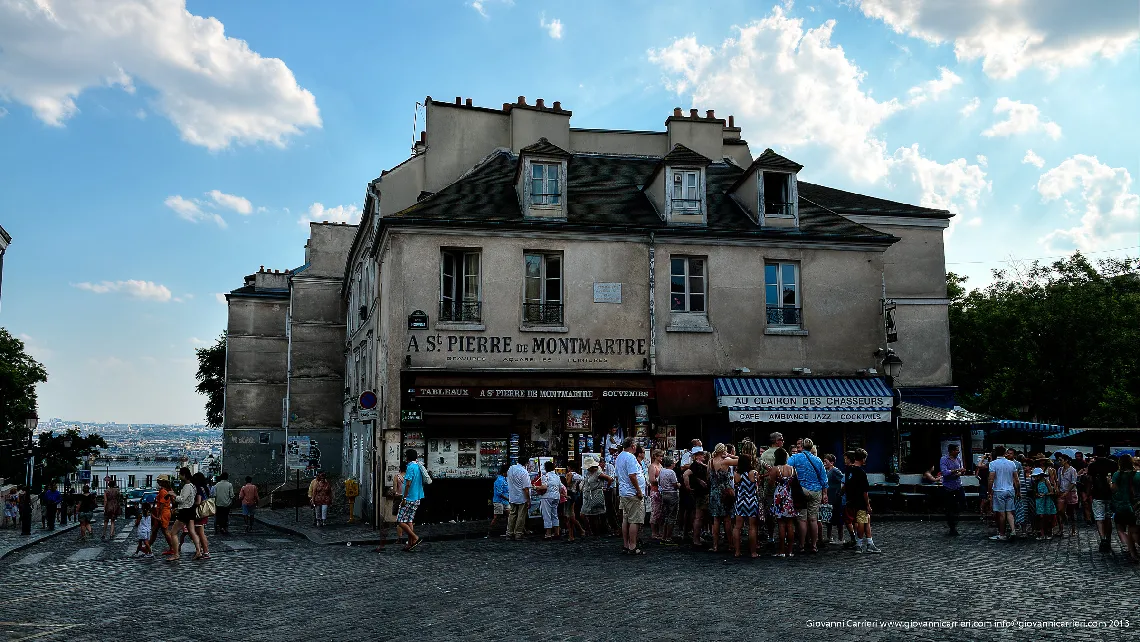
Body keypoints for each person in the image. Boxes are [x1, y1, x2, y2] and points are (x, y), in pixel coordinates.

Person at [788, 438, 827, 554]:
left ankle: (802, 544)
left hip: (801, 490)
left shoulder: (795, 458)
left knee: (802, 519)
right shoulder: (818, 460)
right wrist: (825, 493)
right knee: (813, 519)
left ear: (802, 447)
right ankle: (814, 545)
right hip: (816, 490)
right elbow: (824, 479)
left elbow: (788, 470)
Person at [845, 448, 881, 553]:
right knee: (861, 521)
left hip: (851, 500)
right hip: (860, 501)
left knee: (866, 519)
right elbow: (864, 491)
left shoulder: (849, 470)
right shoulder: (861, 472)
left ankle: (870, 543)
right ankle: (859, 544)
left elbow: (847, 485)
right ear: (863, 459)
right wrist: (868, 504)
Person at [615, 437, 645, 555]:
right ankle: (633, 546)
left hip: (624, 492)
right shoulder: (630, 457)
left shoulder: (620, 457)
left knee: (626, 519)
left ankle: (626, 544)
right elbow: (632, 476)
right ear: (632, 446)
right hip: (632, 493)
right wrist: (638, 490)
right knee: (634, 520)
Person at [707, 443, 738, 553]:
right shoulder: (726, 461)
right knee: (727, 519)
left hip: (714, 492)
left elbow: (708, 477)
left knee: (715, 520)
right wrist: (731, 455)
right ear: (723, 450)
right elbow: (743, 460)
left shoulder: (710, 461)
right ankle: (730, 544)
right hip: (725, 491)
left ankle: (715, 545)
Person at [732, 441, 760, 558]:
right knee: (752, 527)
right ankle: (753, 552)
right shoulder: (753, 472)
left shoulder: (737, 474)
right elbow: (757, 485)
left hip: (741, 500)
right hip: (752, 500)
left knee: (737, 527)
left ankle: (737, 551)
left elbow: (736, 485)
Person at [768, 448, 797, 558]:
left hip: (779, 495)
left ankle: (781, 550)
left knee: (781, 523)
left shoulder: (776, 469)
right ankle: (790, 550)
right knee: (790, 524)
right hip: (789, 495)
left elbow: (770, 483)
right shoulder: (792, 469)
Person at [1088, 445, 1118, 552]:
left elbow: (1090, 480)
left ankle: (1103, 539)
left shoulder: (1092, 466)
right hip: (1110, 494)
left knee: (1099, 518)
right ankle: (1108, 539)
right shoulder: (1113, 464)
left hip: (1097, 494)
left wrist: (1088, 493)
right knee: (1108, 518)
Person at [1110, 455, 1139, 563]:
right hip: (1134, 505)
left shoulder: (1117, 474)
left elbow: (1114, 489)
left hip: (1121, 504)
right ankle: (1133, 552)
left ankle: (1131, 551)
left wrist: (1110, 483)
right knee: (1133, 529)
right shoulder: (1136, 474)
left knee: (1120, 528)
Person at [987, 445, 1020, 541]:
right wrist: (1017, 490)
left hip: (999, 490)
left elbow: (991, 479)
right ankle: (1013, 530)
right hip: (1010, 489)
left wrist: (989, 491)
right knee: (1010, 512)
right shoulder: (1012, 463)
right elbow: (1016, 480)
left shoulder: (993, 464)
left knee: (1001, 514)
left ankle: (1002, 534)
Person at [167, 468, 199, 561]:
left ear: (184, 475)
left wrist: (173, 495)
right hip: (190, 510)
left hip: (185, 512)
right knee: (192, 532)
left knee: (173, 533)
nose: (180, 477)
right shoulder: (193, 486)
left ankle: (176, 554)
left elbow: (182, 499)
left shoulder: (187, 486)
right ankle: (199, 551)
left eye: (180, 475)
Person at [397, 449, 425, 552]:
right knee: (409, 520)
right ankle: (410, 544)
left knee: (400, 521)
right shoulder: (418, 466)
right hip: (418, 497)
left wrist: (404, 498)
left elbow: (408, 484)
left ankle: (415, 537)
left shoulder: (410, 468)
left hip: (409, 498)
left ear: (407, 457)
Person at [684, 448, 709, 549]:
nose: (703, 456)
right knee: (698, 516)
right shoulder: (695, 465)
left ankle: (697, 537)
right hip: (700, 493)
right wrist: (688, 486)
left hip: (700, 492)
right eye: (701, 454)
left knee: (699, 516)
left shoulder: (699, 465)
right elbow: (686, 474)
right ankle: (696, 539)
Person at [580, 456, 612, 536]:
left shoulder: (598, 473)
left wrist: (606, 488)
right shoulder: (589, 473)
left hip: (595, 494)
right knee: (590, 514)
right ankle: (592, 531)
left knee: (594, 514)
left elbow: (609, 479)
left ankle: (595, 531)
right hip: (588, 495)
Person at [940, 444, 966, 536]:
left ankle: (955, 519)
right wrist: (956, 470)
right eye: (956, 450)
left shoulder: (958, 459)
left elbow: (959, 471)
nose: (958, 452)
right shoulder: (944, 459)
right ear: (951, 451)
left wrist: (960, 472)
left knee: (962, 503)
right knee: (949, 508)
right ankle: (952, 527)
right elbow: (944, 472)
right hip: (948, 487)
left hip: (958, 485)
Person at [533, 460, 562, 540]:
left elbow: (544, 487)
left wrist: (536, 487)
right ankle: (556, 532)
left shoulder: (545, 476)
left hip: (547, 497)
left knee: (547, 515)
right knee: (555, 514)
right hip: (556, 496)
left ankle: (548, 534)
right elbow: (561, 487)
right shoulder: (557, 476)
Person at [506, 454, 532, 541]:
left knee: (512, 515)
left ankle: (509, 533)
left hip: (512, 495)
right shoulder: (524, 472)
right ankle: (518, 533)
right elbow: (526, 488)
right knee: (521, 516)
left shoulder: (511, 468)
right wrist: (528, 500)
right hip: (521, 497)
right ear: (526, 463)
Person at [657, 457, 680, 545]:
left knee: (666, 515)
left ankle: (664, 536)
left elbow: (659, 481)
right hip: (672, 494)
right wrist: (679, 485)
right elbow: (675, 484)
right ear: (671, 464)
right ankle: (668, 538)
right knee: (672, 516)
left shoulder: (662, 471)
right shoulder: (671, 472)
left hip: (664, 493)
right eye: (674, 462)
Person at [823, 454, 845, 545]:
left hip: (836, 498)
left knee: (838, 519)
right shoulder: (825, 471)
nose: (824, 463)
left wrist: (839, 492)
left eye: (826, 461)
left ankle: (840, 538)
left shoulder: (835, 471)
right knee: (828, 519)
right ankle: (829, 537)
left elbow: (843, 480)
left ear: (831, 462)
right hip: (829, 498)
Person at [1055, 454, 1078, 537]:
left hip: (1071, 492)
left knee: (1071, 512)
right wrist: (1057, 488)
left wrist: (1067, 491)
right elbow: (1058, 480)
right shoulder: (1060, 469)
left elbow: (1073, 482)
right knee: (1060, 510)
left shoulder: (1072, 470)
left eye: (1061, 460)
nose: (1059, 462)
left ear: (1066, 460)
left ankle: (1073, 529)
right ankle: (1061, 529)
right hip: (1061, 491)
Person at [1030, 468, 1056, 540]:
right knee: (1040, 517)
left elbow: (1051, 492)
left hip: (1047, 501)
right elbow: (1034, 492)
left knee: (1048, 517)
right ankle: (1041, 533)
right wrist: (1037, 495)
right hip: (1039, 501)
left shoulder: (1046, 481)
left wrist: (1045, 494)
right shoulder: (1035, 483)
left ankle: (1049, 533)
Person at [153, 476, 176, 556]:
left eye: (159, 481)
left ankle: (173, 548)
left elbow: (162, 504)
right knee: (155, 531)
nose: (157, 482)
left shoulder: (163, 491)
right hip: (165, 512)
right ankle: (148, 546)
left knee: (165, 531)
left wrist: (159, 516)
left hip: (163, 513)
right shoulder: (168, 490)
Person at [191, 472, 212, 560]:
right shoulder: (205, 488)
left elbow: (198, 502)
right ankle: (204, 550)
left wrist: (191, 504)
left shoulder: (198, 488)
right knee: (201, 533)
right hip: (204, 513)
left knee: (200, 533)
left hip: (199, 513)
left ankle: (205, 552)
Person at [562, 465, 586, 542]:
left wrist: (564, 481)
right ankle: (576, 532)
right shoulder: (578, 476)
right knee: (571, 515)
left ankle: (575, 533)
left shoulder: (570, 474)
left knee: (569, 516)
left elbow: (568, 484)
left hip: (569, 495)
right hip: (575, 495)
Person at [488, 463, 510, 538]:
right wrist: (509, 499)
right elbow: (499, 493)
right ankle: (490, 532)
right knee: (497, 517)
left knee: (510, 515)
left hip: (505, 501)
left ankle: (509, 531)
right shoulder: (499, 480)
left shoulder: (506, 479)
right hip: (499, 501)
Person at [648, 449, 664, 542]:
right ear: (655, 456)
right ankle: (654, 532)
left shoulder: (660, 465)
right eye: (659, 456)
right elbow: (651, 480)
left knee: (660, 512)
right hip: (655, 491)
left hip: (661, 491)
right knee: (655, 511)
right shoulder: (652, 466)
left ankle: (658, 531)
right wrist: (662, 480)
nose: (661, 458)